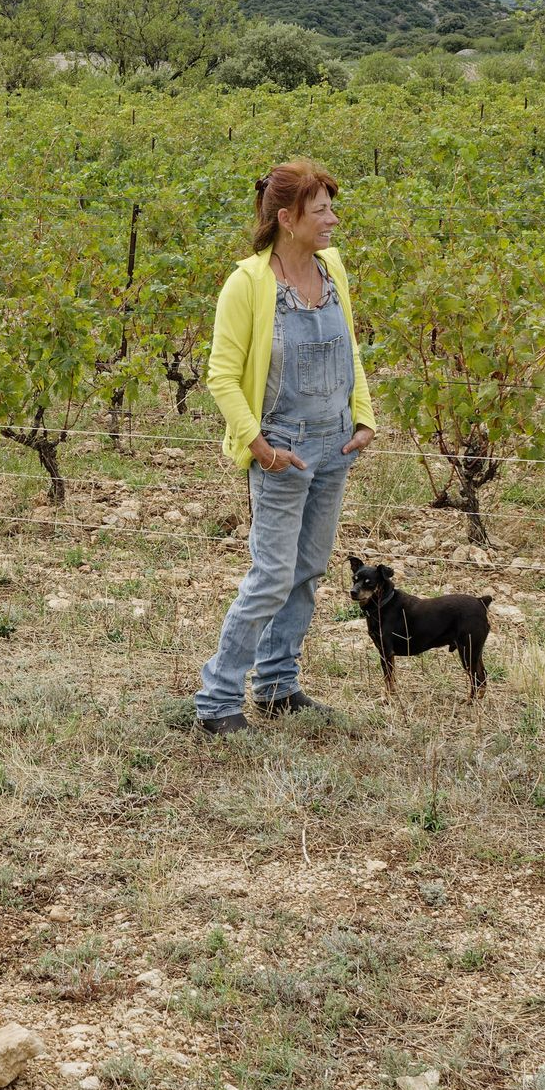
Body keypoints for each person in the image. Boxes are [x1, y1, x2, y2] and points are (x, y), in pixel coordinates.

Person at [195, 159, 376, 733]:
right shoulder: (247, 283)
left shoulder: (333, 270)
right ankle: (217, 700)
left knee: (308, 568)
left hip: (333, 445)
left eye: (330, 207)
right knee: (272, 574)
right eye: (320, 210)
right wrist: (261, 447)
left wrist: (363, 418)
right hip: (283, 449)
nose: (332, 220)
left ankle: (277, 684)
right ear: (286, 218)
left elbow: (350, 350)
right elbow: (222, 376)